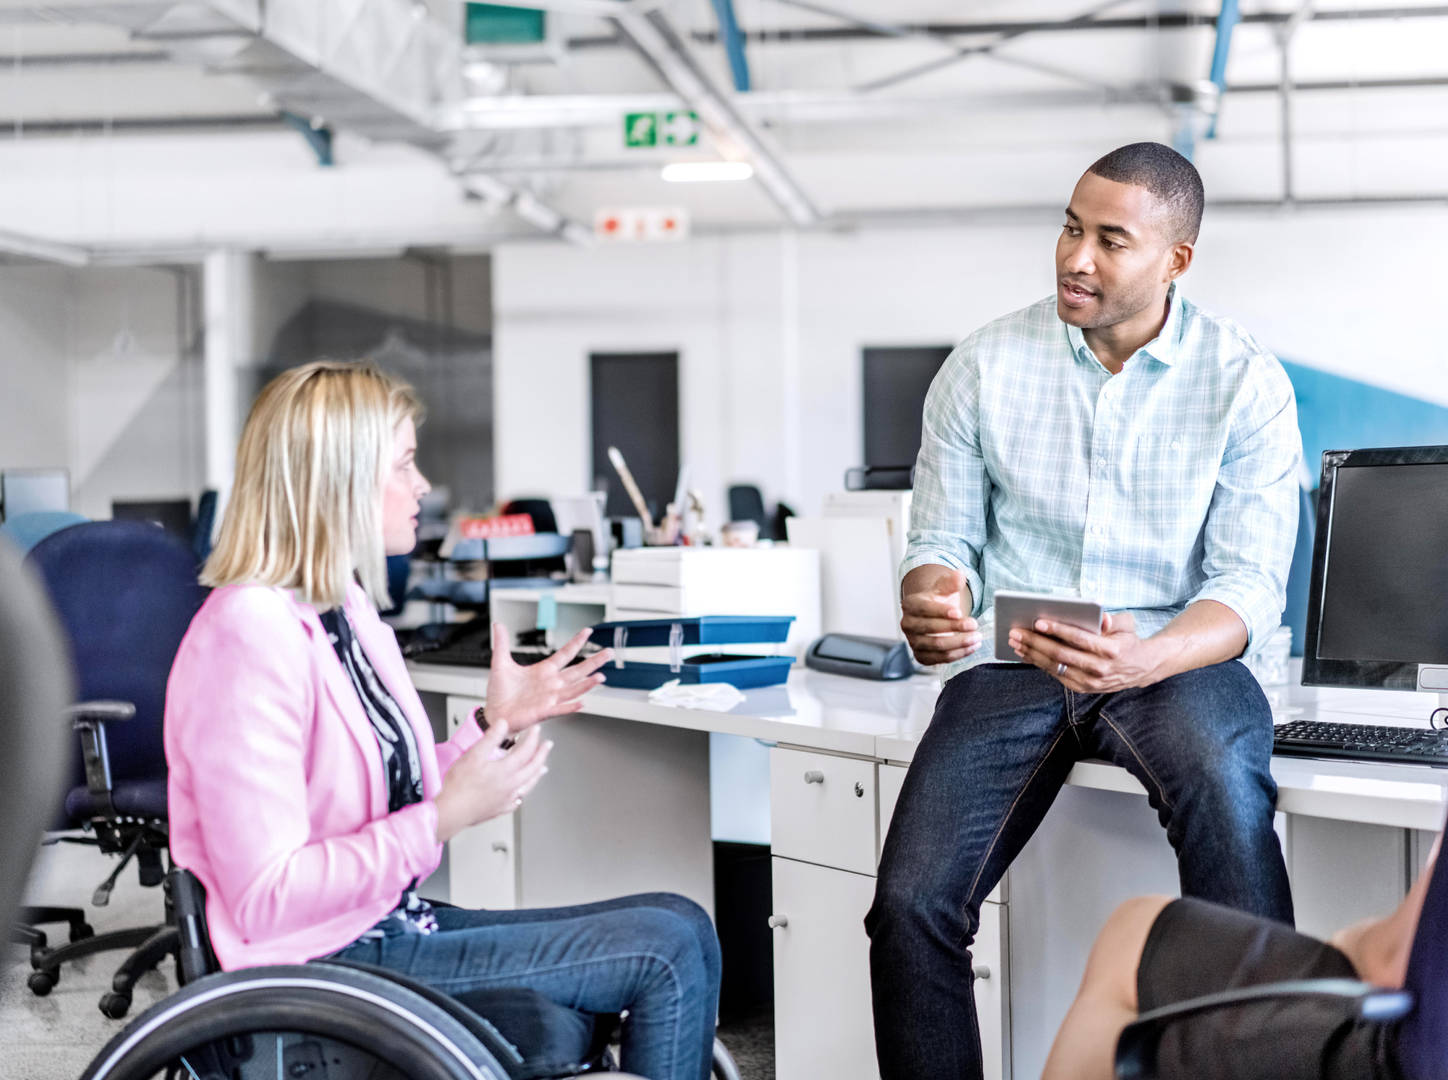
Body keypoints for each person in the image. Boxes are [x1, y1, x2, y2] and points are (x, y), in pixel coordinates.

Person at [866, 142, 1302, 1079]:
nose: (1076, 257)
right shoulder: (982, 366)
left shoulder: (1244, 380)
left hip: (1172, 660)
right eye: (1071, 227)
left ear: (1175, 260)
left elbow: (1250, 585)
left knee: (1229, 812)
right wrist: (931, 595)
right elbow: (941, 544)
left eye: (1111, 240)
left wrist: (1146, 659)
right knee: (908, 906)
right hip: (1015, 664)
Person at [165, 360, 722, 1080]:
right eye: (403, 464)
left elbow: (383, 795)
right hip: (320, 961)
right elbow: (268, 901)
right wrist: (440, 821)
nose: (422, 485)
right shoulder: (245, 634)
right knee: (664, 951)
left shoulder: (342, 607)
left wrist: (493, 722)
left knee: (684, 922)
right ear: (339, 481)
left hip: (384, 922)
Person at [1042, 839, 1437, 1080]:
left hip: (1396, 1061)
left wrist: (1351, 937)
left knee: (1128, 937)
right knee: (1137, 928)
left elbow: (1390, 963)